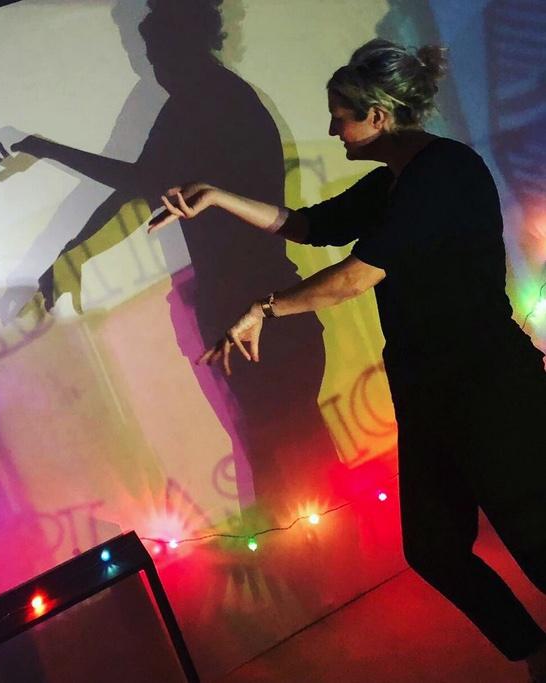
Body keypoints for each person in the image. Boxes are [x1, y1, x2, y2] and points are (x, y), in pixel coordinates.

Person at [149, 38, 546, 682]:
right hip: (430, 396)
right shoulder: (392, 182)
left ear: (379, 116)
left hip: (491, 389)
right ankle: (535, 651)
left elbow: (353, 278)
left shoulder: (445, 173)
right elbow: (306, 224)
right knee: (434, 550)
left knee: (537, 545)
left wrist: (264, 307)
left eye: (341, 114)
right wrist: (217, 197)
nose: (333, 127)